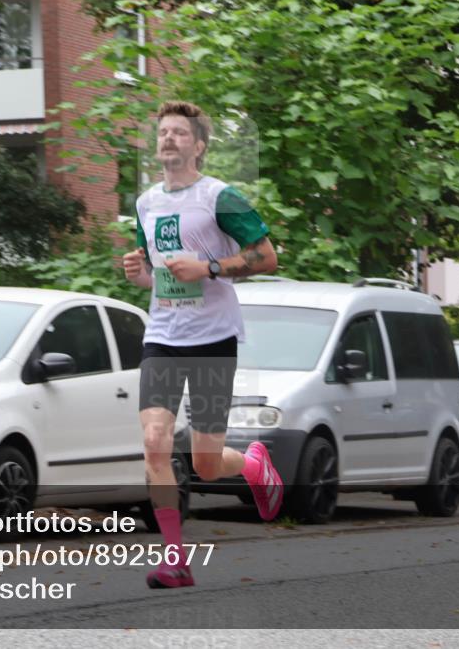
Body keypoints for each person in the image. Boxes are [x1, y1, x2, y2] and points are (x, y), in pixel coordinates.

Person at [122, 100, 283, 589]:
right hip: (163, 338)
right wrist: (140, 275)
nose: (168, 138)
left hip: (213, 338)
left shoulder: (220, 197)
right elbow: (159, 276)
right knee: (154, 442)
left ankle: (254, 463)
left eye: (179, 133)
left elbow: (266, 257)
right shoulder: (146, 203)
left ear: (199, 146)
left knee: (206, 465)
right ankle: (176, 560)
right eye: (163, 132)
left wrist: (210, 268)